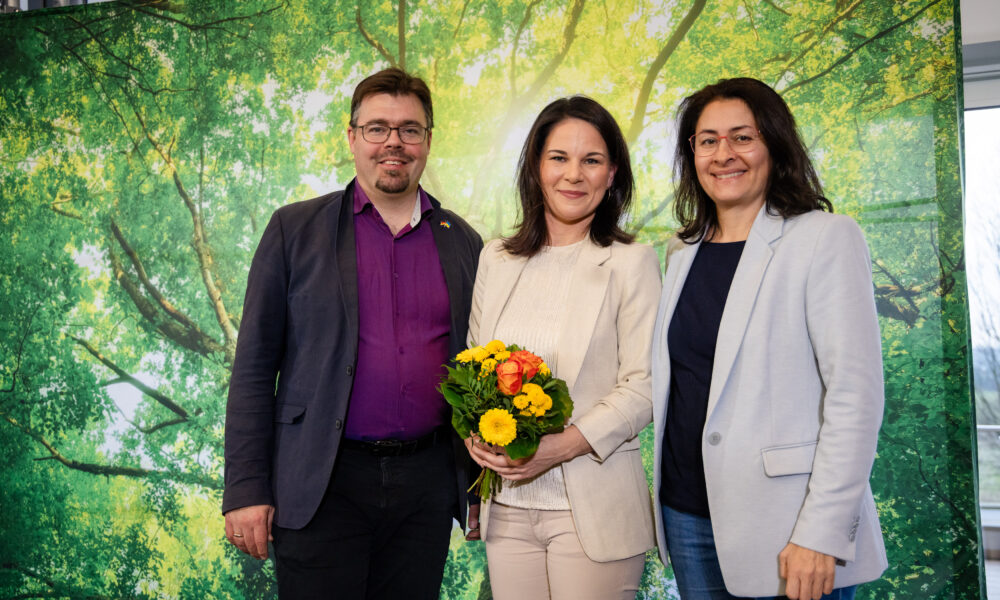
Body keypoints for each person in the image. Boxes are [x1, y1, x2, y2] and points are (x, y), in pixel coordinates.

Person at [222, 67, 483, 599]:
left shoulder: (464, 243)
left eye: (410, 129)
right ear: (352, 138)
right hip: (321, 483)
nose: (394, 142)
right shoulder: (293, 231)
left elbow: (478, 371)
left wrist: (475, 485)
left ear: (428, 141)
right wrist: (246, 488)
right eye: (377, 128)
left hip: (425, 491)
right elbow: (252, 367)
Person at [651, 77, 888, 600]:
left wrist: (821, 533)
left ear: (774, 144)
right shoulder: (679, 252)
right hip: (687, 516)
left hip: (787, 526)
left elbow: (855, 397)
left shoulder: (825, 237)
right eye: (707, 140)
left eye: (742, 136)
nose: (723, 154)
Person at [464, 96, 661, 600]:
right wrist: (475, 436)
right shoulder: (497, 259)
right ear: (535, 167)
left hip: (593, 509)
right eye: (559, 158)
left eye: (591, 160)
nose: (574, 175)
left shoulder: (631, 262)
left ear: (612, 173)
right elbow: (471, 368)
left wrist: (559, 447)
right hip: (507, 509)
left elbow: (645, 384)